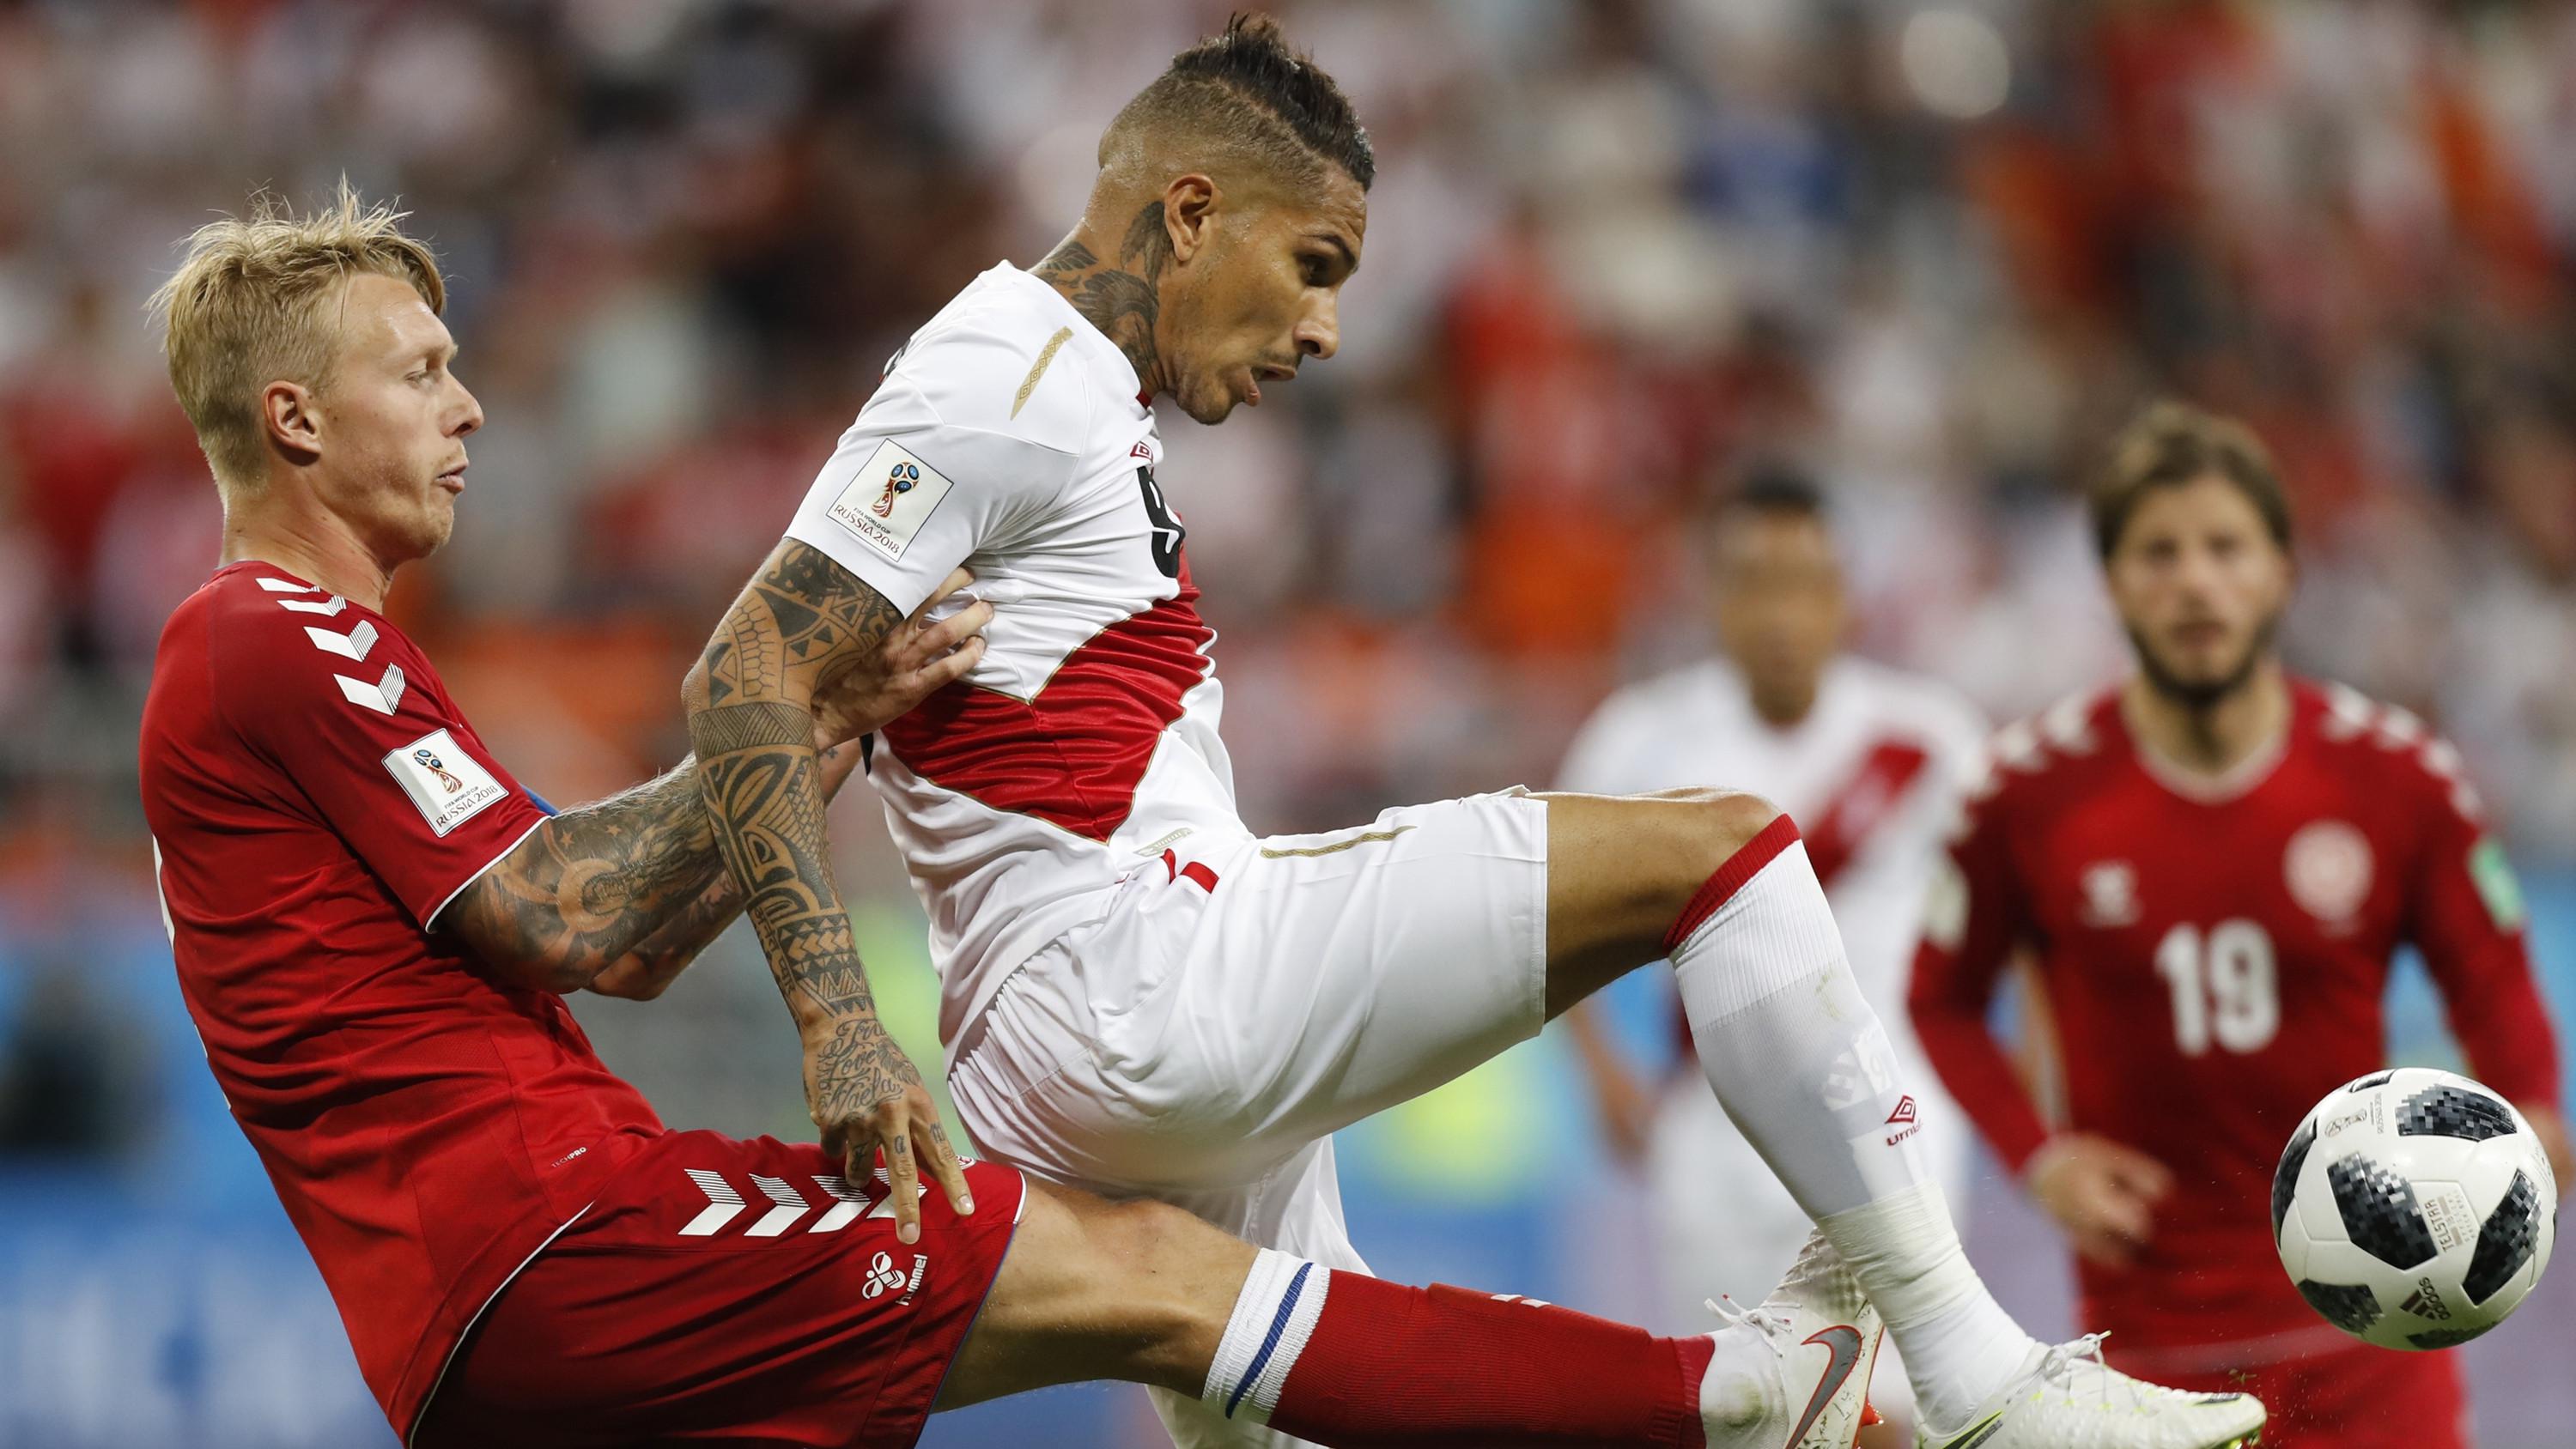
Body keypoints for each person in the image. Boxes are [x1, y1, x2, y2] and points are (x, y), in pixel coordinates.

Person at [689, 15, 2263, 1449]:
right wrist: (836, 1018)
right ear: (1189, 212)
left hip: (1071, 1046)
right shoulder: (1006, 364)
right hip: (1134, 984)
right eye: (1312, 264)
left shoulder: (1075, 394)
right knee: (1722, 856)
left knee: (1345, 1397)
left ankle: (1842, 1409)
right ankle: (1984, 1377)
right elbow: (745, 664)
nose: (1322, 328)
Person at [138, 185, 1918, 1449]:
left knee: (1166, 1284)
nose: (466, 403)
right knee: (1159, 1272)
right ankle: (1749, 1399)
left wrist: (825, 723)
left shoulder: (301, 668)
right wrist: (813, 729)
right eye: (420, 369)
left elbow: (642, 933)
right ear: (293, 417)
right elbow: (572, 919)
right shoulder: (266, 634)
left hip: (484, 1310)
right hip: (560, 1237)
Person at [1909, 401, 2571, 1448]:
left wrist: (2529, 1106)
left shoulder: (2396, 775)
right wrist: (2036, 1154)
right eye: (2159, 553)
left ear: (2280, 570)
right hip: (2142, 1361)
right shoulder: (2027, 794)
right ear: (2114, 582)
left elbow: (2492, 975)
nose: (2195, 582)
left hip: (2379, 1345)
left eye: (2225, 547)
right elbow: (1937, 997)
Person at [1557, 468, 1988, 1444]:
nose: (1781, 611)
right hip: (1711, 1137)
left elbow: (2019, 917)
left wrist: (2017, 1073)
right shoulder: (1642, 739)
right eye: (1754, 580)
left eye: (1804, 581)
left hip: (1896, 1123)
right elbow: (1547, 911)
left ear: (1843, 594)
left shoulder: (1929, 738)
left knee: (1895, 1410)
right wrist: (1599, 1072)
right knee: (1742, 1411)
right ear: (1715, 592)